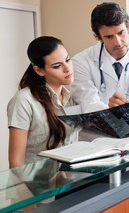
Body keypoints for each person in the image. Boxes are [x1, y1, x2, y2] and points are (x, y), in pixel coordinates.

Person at [71, 2, 129, 124]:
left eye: (121, 33)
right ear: (99, 37)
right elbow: (88, 106)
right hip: (98, 139)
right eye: (109, 37)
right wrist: (111, 111)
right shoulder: (81, 62)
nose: (118, 42)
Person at [7, 36, 79, 168]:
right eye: (57, 66)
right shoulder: (23, 101)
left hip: (72, 179)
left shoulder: (74, 96)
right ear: (39, 70)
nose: (67, 69)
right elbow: (16, 162)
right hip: (38, 185)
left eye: (68, 60)